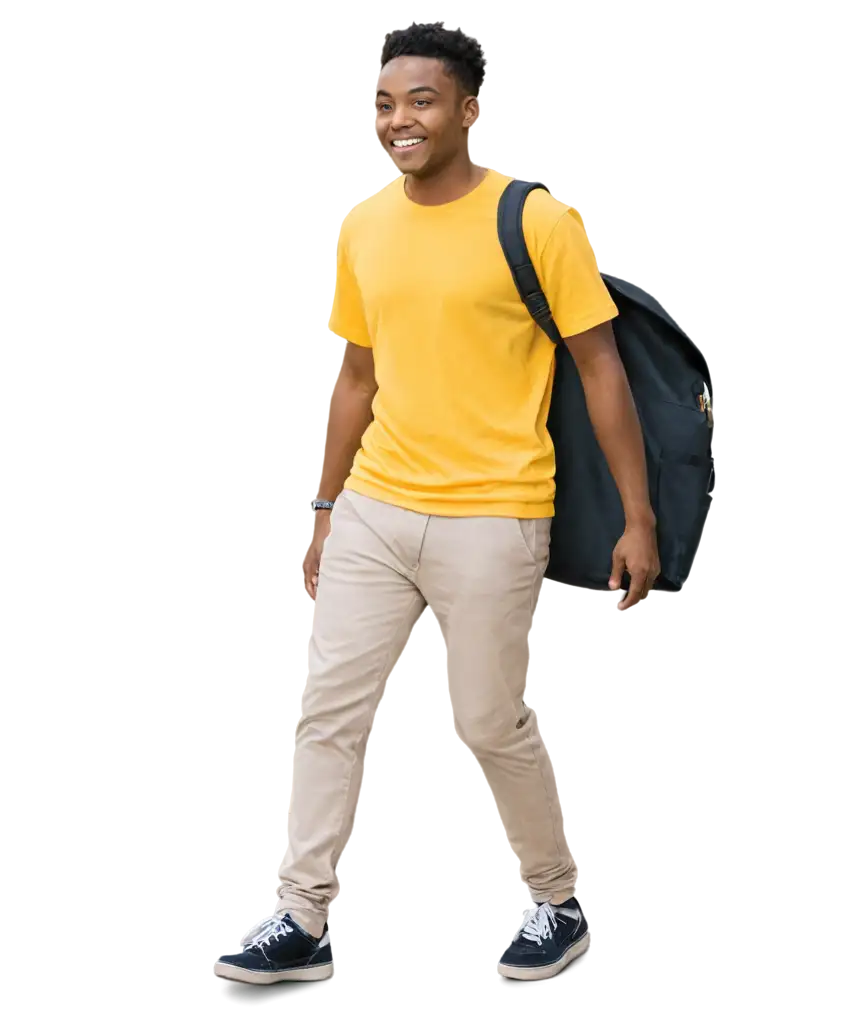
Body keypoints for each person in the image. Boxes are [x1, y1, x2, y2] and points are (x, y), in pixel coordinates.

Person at [211, 22, 659, 987]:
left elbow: (600, 367)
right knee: (326, 710)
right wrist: (323, 509)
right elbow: (351, 380)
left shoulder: (538, 222)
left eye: (421, 100)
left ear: (468, 110)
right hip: (377, 504)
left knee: (485, 721)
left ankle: (555, 898)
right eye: (384, 104)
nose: (399, 120)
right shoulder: (364, 225)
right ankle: (300, 916)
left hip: (495, 512)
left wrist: (639, 517)